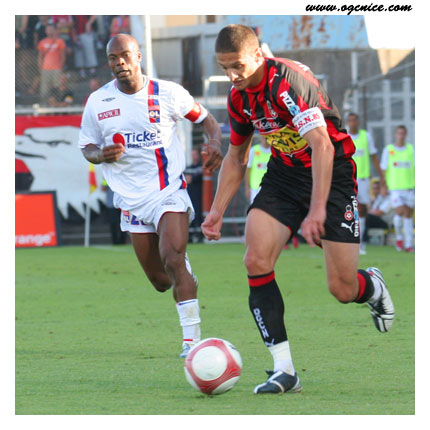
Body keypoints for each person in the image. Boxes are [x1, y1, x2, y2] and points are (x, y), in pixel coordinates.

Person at [202, 24, 395, 394]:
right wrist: (216, 211)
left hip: (333, 174)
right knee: (255, 259)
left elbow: (322, 146)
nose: (232, 75)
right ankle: (284, 370)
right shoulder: (238, 98)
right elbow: (237, 156)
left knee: (342, 288)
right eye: (225, 67)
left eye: (237, 65)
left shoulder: (286, 83)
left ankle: (371, 286)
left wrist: (317, 210)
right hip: (285, 176)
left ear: (257, 55)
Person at [78, 34, 223, 358]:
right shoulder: (98, 101)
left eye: (125, 55)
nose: (120, 62)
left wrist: (214, 142)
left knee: (172, 258)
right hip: (130, 200)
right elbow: (87, 146)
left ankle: (192, 344)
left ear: (138, 56)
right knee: (161, 280)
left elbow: (207, 120)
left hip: (167, 191)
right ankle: (183, 271)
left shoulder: (168, 93)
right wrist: (100, 155)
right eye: (113, 58)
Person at [347, 113, 384, 254]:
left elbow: (374, 157)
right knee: (347, 209)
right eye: (350, 120)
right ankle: (346, 242)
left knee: (361, 209)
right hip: (347, 178)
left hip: (362, 179)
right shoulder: (344, 135)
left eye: (354, 120)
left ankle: (359, 243)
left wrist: (382, 176)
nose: (352, 123)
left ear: (358, 121)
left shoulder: (366, 136)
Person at [380, 125, 415, 252]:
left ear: (405, 135)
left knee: (407, 215)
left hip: (409, 188)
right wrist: (383, 186)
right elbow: (383, 169)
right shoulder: (389, 150)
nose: (400, 136)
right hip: (394, 189)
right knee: (401, 210)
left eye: (403, 133)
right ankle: (400, 237)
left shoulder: (411, 150)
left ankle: (408, 244)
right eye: (399, 133)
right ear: (395, 134)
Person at [37, 23, 66, 105]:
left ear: (54, 30)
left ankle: (56, 104)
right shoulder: (42, 42)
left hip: (57, 68)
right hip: (45, 69)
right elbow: (40, 56)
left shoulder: (60, 41)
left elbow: (63, 56)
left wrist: (61, 67)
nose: (49, 31)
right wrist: (40, 68)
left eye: (51, 29)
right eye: (48, 29)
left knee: (57, 88)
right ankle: (44, 105)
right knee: (44, 89)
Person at [244, 135, 271, 204]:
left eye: (267, 137)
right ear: (260, 137)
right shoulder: (253, 150)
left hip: (270, 188)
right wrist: (247, 187)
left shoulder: (274, 152)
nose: (265, 139)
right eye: (263, 136)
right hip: (255, 188)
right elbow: (248, 170)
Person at [184, 148, 204, 243]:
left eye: (195, 154)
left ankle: (200, 235)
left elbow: (192, 178)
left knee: (198, 214)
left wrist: (190, 178)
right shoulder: (188, 167)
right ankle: (190, 235)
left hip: (198, 196)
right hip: (189, 196)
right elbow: (185, 178)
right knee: (189, 214)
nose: (193, 156)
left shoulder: (200, 167)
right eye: (192, 154)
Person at [101, 178, 127, 245]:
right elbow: (103, 188)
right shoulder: (107, 176)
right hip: (112, 204)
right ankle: (115, 241)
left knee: (124, 222)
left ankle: (122, 241)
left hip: (122, 204)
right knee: (113, 223)